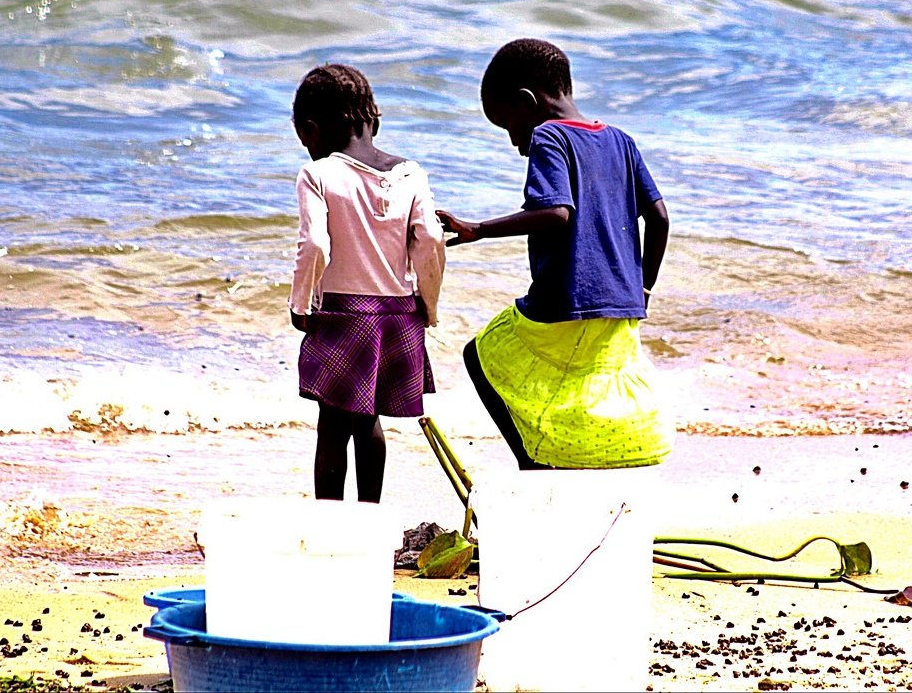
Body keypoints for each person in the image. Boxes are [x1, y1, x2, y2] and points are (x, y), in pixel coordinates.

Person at [437, 38, 674, 470]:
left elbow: (555, 213)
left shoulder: (549, 137)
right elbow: (659, 219)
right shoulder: (621, 140)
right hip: (622, 303)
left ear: (527, 103)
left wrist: (478, 230)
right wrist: (643, 287)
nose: (514, 142)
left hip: (564, 300)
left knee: (482, 353)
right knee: (584, 383)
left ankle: (533, 463)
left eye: (508, 124)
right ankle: (577, 455)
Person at [289, 63, 445, 502]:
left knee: (333, 426)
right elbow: (430, 240)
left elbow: (315, 245)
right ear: (373, 118)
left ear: (311, 128)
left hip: (343, 314)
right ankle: (371, 517)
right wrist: (428, 306)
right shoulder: (411, 173)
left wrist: (301, 304)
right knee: (368, 420)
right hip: (397, 314)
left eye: (305, 140)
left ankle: (330, 523)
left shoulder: (318, 175)